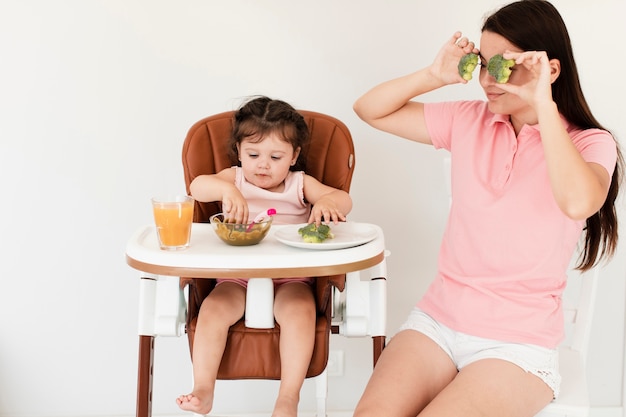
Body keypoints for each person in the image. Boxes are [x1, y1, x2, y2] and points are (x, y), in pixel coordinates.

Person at [352, 1, 622, 417]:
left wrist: (543, 107)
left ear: (550, 70)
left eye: (506, 66)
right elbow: (369, 109)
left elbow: (578, 202)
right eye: (484, 64)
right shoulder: (469, 120)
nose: (488, 80)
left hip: (518, 345)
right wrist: (432, 75)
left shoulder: (589, 142)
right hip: (438, 322)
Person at [175, 96, 352, 417]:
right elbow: (197, 186)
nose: (263, 164)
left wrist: (328, 203)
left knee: (300, 311)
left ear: (294, 156)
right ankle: (203, 387)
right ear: (239, 152)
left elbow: (342, 198)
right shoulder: (236, 179)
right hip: (236, 276)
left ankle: (288, 397)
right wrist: (226, 190)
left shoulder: (298, 184)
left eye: (276, 156)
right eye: (253, 154)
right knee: (213, 310)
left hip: (292, 277)